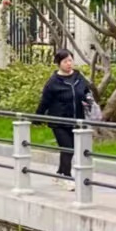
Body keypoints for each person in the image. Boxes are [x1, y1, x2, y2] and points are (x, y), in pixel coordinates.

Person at [34, 49, 97, 178]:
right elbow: (45, 101)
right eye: (65, 61)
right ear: (59, 63)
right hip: (59, 122)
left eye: (70, 60)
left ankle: (60, 174)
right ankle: (66, 177)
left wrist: (88, 98)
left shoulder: (79, 77)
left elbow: (86, 91)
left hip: (77, 120)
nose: (69, 64)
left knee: (71, 149)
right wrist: (37, 118)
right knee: (68, 148)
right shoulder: (53, 82)